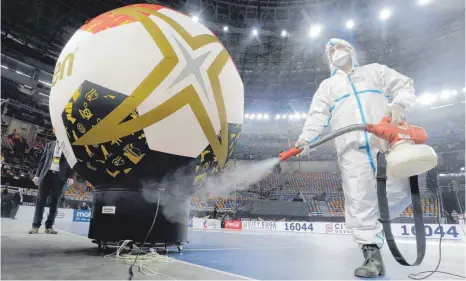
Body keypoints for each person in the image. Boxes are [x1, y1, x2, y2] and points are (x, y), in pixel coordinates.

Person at [295, 38, 415, 277]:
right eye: (330, 51)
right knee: (359, 203)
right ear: (328, 59)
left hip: (385, 144)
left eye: (339, 47)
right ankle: (372, 258)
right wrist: (305, 139)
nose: (335, 52)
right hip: (351, 151)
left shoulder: (375, 71)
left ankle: (377, 225)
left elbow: (404, 84)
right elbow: (317, 116)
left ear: (350, 50)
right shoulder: (328, 86)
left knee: (400, 192)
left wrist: (399, 104)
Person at [29, 138, 72, 234]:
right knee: (40, 200)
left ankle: (49, 226)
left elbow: (71, 162)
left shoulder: (68, 147)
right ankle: (35, 226)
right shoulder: (49, 145)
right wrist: (37, 175)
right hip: (46, 174)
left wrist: (71, 176)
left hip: (59, 176)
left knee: (55, 202)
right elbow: (42, 160)